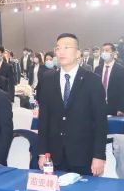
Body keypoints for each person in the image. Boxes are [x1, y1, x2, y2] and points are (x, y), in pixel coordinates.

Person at [35, 33, 107, 176]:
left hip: (83, 155)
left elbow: (100, 121)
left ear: (78, 53)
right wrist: (42, 152)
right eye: (58, 48)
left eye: (66, 47)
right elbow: (44, 119)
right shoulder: (47, 79)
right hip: (54, 155)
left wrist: (99, 156)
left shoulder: (92, 80)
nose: (61, 52)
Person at [93, 42, 124, 118]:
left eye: (107, 50)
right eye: (103, 50)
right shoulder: (97, 69)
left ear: (114, 53)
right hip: (99, 106)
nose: (104, 53)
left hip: (115, 108)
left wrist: (122, 108)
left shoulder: (122, 70)